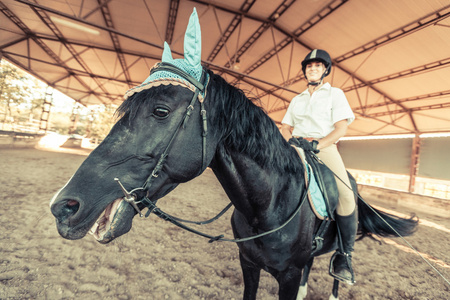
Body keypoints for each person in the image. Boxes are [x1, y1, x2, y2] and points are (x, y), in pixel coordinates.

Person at [281, 49, 357, 285]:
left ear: (325, 69)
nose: (312, 69)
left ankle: (344, 256)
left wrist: (318, 144)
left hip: (324, 148)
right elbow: (285, 126)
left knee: (346, 194)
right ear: (305, 70)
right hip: (296, 147)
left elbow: (341, 128)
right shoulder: (297, 99)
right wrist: (289, 141)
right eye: (309, 66)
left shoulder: (335, 94)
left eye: (317, 66)